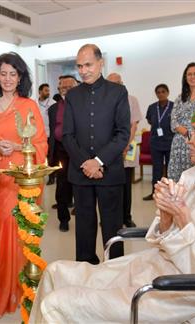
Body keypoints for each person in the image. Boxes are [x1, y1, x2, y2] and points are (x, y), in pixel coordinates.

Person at [29, 86, 195, 323]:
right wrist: (167, 215)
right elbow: (162, 235)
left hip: (180, 294)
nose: (188, 138)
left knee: (56, 305)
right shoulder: (192, 176)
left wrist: (183, 216)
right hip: (154, 265)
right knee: (55, 272)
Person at [0, 52, 48, 317]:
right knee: (0, 233)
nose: (8, 79)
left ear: (21, 77)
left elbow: (41, 144)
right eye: (3, 74)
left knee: (20, 230)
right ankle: (2, 289)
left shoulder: (29, 105)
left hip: (22, 176)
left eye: (13, 74)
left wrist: (19, 146)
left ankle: (22, 288)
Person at [63, 44, 130, 264]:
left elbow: (122, 133)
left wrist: (99, 161)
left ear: (100, 63)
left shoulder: (118, 92)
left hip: (109, 172)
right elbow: (67, 135)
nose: (83, 70)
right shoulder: (72, 95)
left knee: (112, 228)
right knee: (83, 227)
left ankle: (114, 271)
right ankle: (85, 272)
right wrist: (86, 163)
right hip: (80, 172)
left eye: (88, 65)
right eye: (79, 66)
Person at [107, 72, 143, 228]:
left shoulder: (131, 100)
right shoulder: (103, 100)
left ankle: (126, 217)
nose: (116, 86)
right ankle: (108, 216)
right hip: (108, 150)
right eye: (112, 83)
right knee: (108, 187)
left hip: (127, 147)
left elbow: (133, 124)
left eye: (118, 83)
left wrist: (125, 144)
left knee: (126, 185)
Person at [168, 62, 195, 182]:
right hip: (178, 145)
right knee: (178, 181)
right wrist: (186, 133)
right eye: (189, 74)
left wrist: (193, 135)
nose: (192, 77)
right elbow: (173, 121)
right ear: (185, 78)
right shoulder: (180, 98)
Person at [48, 75, 78, 232]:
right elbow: (52, 132)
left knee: (79, 185)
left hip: (79, 151)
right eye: (62, 87)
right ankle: (63, 219)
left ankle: (80, 213)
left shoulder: (82, 106)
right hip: (60, 151)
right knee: (61, 186)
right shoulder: (53, 109)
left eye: (69, 87)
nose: (66, 90)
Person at [143, 84, 174, 200]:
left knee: (170, 169)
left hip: (170, 142)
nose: (160, 94)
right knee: (157, 169)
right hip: (155, 143)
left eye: (163, 91)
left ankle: (171, 193)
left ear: (167, 93)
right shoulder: (152, 107)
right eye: (158, 92)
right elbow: (150, 120)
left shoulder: (173, 106)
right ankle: (154, 193)